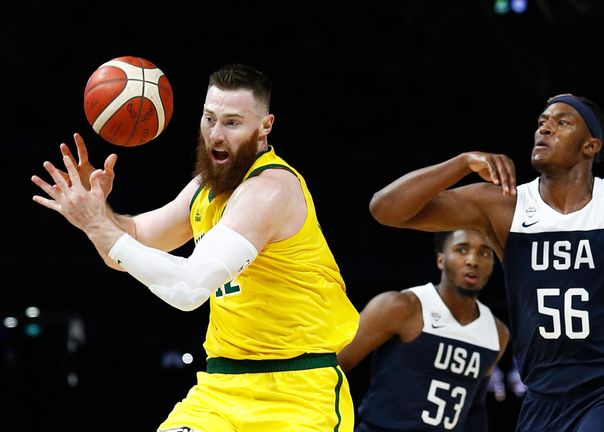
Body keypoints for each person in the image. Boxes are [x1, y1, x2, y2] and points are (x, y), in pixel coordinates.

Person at [367, 84, 604, 431]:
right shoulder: (504, 205)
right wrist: (461, 162)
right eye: (541, 121)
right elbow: (385, 210)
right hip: (542, 398)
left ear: (590, 146)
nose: (544, 128)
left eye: (562, 121)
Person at [31, 64, 360, 431]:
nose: (216, 135)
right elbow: (132, 242)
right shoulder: (206, 186)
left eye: (232, 123)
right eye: (209, 119)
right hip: (220, 389)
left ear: (265, 126)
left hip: (296, 394)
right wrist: (96, 209)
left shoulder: (270, 190)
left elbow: (187, 289)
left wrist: (97, 224)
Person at [338, 229, 510, 431]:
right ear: (440, 260)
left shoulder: (497, 333)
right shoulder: (401, 306)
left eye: (484, 253)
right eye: (461, 250)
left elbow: (474, 409)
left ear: (492, 264)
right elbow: (330, 367)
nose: (472, 260)